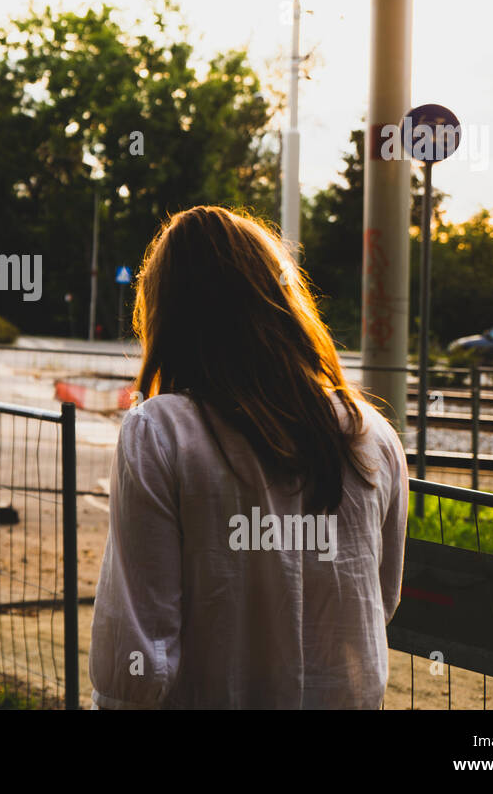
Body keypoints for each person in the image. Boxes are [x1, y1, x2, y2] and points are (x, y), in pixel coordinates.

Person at [88, 206, 408, 709]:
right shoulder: (372, 435)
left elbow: (139, 647)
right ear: (281, 302)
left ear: (169, 313)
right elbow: (377, 600)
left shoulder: (161, 432)